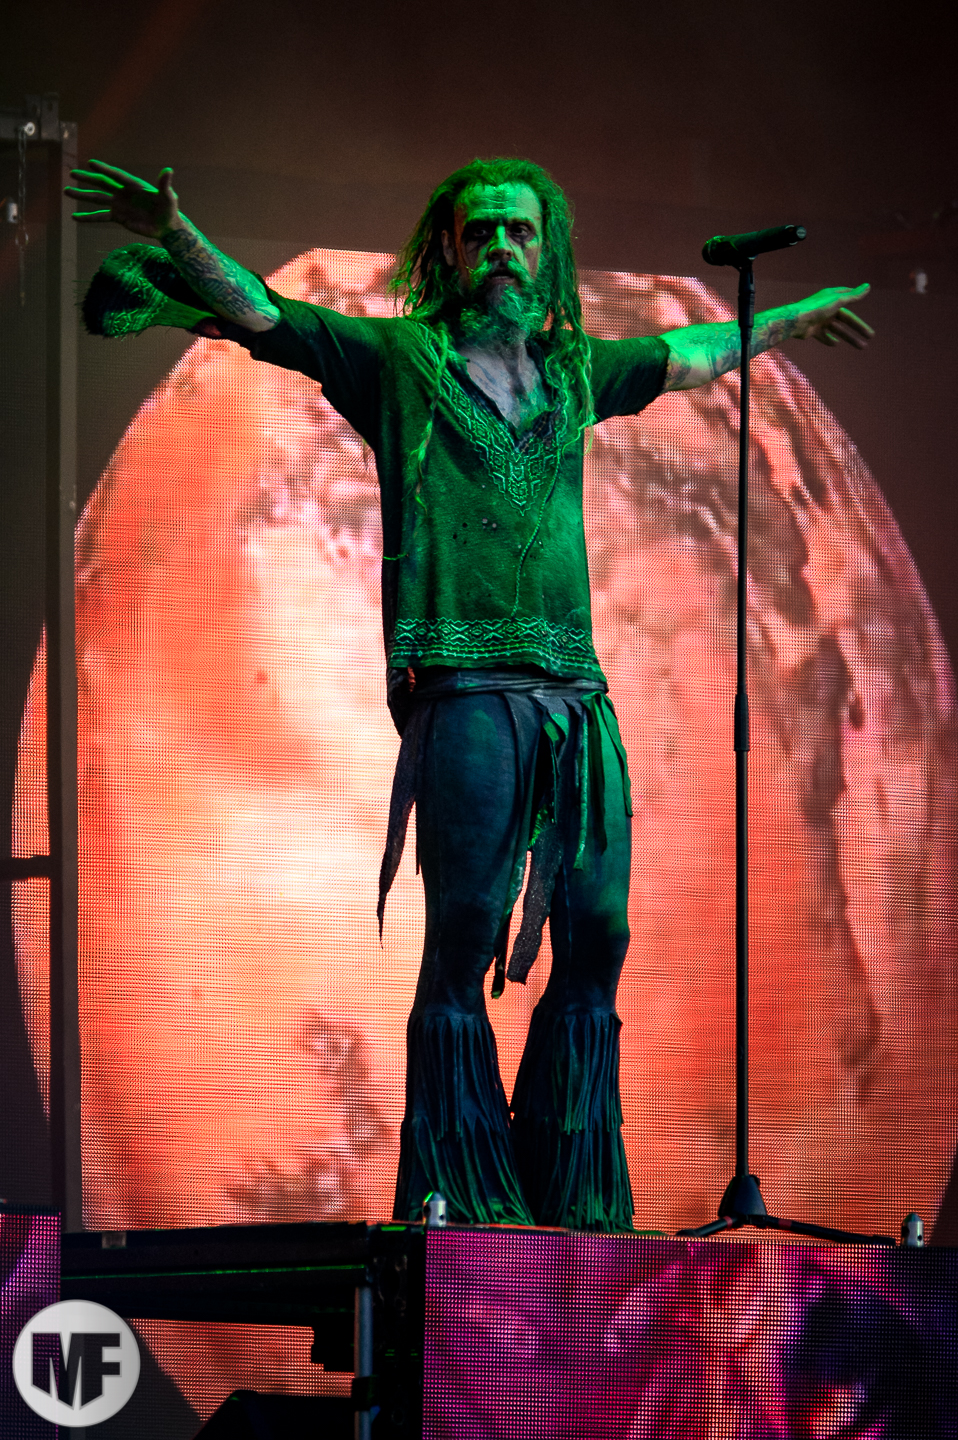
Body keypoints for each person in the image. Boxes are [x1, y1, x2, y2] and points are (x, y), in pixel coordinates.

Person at [65, 155, 873, 1232]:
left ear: (548, 252)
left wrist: (790, 322)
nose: (501, 247)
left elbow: (693, 356)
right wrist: (178, 233)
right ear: (446, 251)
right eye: (480, 230)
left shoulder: (576, 374)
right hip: (465, 691)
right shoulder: (399, 359)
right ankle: (465, 1193)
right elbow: (264, 314)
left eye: (519, 231)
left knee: (600, 933)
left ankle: (574, 1190)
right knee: (465, 933)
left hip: (576, 698)